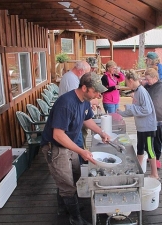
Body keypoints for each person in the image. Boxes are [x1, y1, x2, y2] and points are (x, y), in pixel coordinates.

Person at [41, 72, 110, 225]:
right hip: (56, 147)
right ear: (84, 88)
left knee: (76, 175)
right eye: (95, 91)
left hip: (69, 146)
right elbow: (58, 135)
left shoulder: (85, 100)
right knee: (67, 184)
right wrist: (81, 151)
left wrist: (101, 132)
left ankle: (63, 207)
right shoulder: (66, 103)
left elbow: (87, 119)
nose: (98, 94)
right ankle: (75, 219)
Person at [117, 69, 159, 180]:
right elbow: (135, 110)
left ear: (131, 80)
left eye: (126, 82)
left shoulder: (141, 91)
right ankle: (138, 170)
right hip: (141, 127)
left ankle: (155, 174)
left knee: (150, 149)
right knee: (140, 148)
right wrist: (120, 113)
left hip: (148, 127)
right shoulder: (136, 92)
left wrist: (130, 107)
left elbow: (147, 110)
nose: (126, 85)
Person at [145, 52, 162, 151]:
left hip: (161, 97)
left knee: (161, 123)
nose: (146, 61)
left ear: (151, 60)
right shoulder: (155, 67)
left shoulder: (161, 68)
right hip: (157, 96)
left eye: (147, 59)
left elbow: (161, 82)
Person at [144, 68, 162, 169]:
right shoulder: (147, 86)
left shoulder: (160, 87)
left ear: (155, 78)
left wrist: (144, 106)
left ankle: (156, 158)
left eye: (148, 79)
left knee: (157, 139)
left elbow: (156, 103)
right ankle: (150, 155)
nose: (147, 81)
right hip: (149, 117)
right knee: (149, 138)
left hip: (158, 117)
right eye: (146, 79)